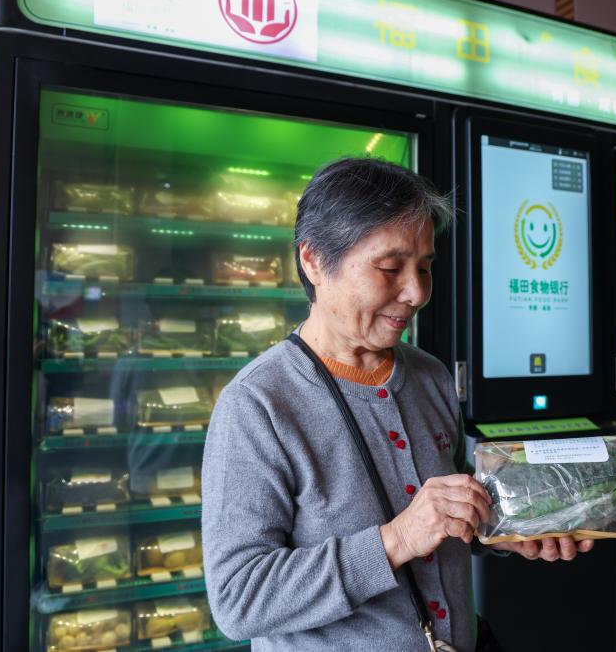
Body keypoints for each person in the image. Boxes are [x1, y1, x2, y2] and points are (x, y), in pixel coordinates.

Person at [202, 157, 593, 652]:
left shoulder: (429, 375)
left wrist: (507, 527)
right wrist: (399, 539)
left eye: (425, 267)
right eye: (390, 268)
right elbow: (239, 600)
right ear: (314, 260)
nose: (417, 292)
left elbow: (450, 515)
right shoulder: (257, 405)